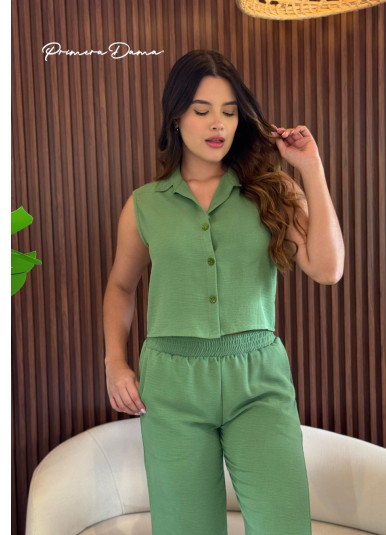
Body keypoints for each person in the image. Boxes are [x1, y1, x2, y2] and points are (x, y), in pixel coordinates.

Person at [103, 49, 344, 535]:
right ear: (176, 118)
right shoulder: (145, 204)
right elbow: (121, 287)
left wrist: (311, 168)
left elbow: (328, 268)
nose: (218, 124)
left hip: (258, 380)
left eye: (230, 112)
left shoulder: (272, 190)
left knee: (284, 525)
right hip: (171, 384)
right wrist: (115, 362)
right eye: (202, 110)